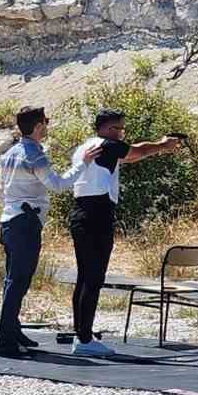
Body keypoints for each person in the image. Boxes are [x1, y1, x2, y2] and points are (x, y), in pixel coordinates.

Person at [67, 110, 183, 356]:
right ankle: (84, 340)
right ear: (109, 129)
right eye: (119, 128)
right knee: (93, 278)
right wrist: (163, 145)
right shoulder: (108, 146)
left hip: (82, 212)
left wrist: (160, 147)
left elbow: (128, 157)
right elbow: (137, 152)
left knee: (85, 278)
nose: (122, 133)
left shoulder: (86, 147)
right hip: (96, 215)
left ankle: (82, 334)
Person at [0, 107, 99, 359]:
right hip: (25, 224)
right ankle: (6, 341)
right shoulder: (34, 155)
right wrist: (83, 164)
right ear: (39, 126)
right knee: (17, 282)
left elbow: (1, 190)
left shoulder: (11, 152)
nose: (48, 126)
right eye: (46, 122)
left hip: (10, 220)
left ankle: (13, 330)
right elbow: (58, 185)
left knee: (13, 281)